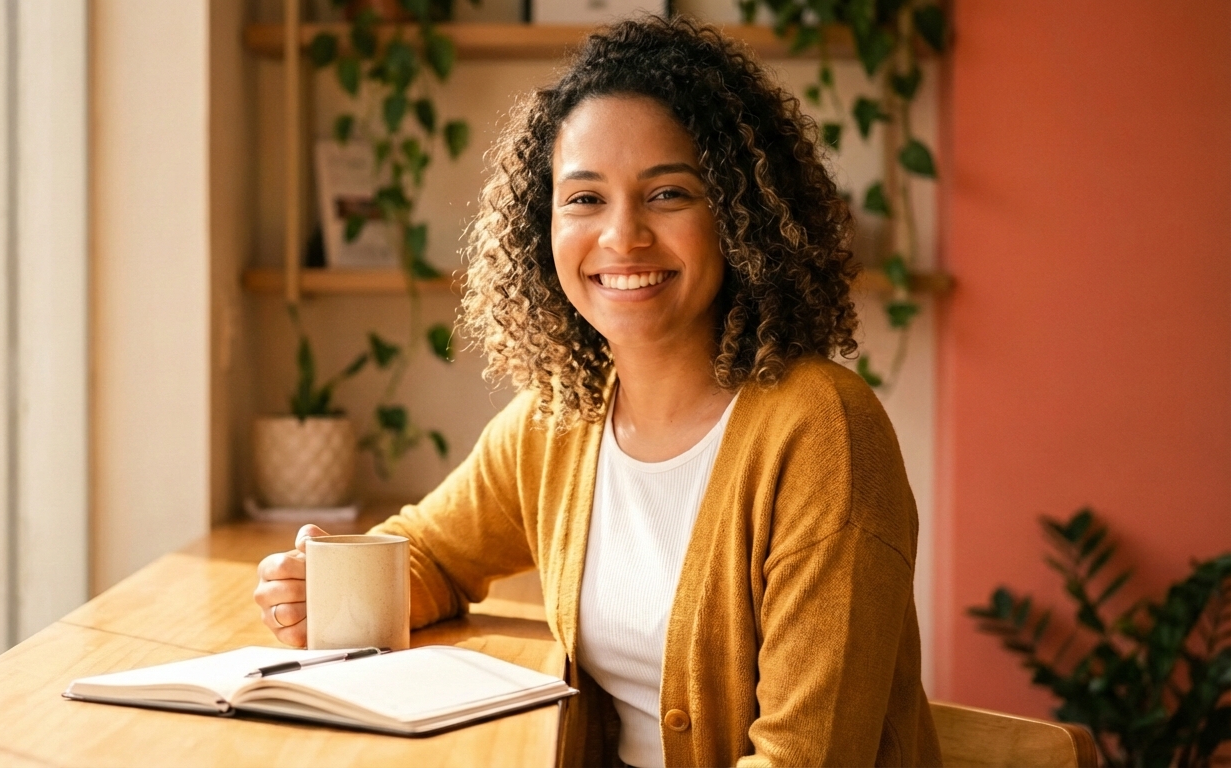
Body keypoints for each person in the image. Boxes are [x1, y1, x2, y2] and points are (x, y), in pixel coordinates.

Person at [255, 16, 941, 768]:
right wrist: (321, 585)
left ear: (740, 218)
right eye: (584, 199)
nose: (623, 237)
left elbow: (804, 761)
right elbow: (428, 556)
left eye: (669, 193)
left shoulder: (824, 435)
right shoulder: (562, 419)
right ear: (540, 229)